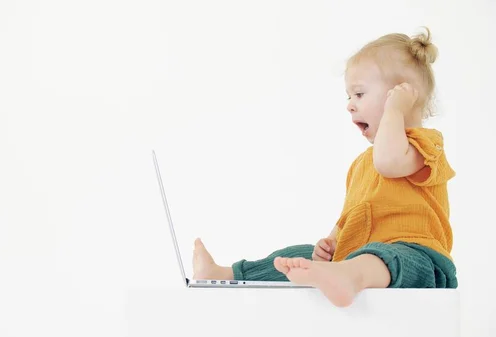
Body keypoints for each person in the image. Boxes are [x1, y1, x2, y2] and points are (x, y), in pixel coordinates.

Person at [191, 27, 458, 307]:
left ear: (401, 97)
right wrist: (331, 242)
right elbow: (353, 214)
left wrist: (395, 111)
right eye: (349, 97)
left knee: (386, 256)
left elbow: (389, 162)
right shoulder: (362, 163)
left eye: (359, 94)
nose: (350, 106)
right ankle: (224, 275)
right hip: (360, 255)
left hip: (418, 259)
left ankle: (349, 277)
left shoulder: (426, 146)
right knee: (298, 256)